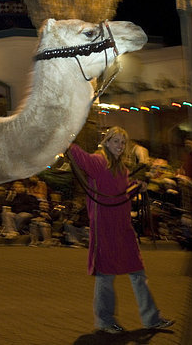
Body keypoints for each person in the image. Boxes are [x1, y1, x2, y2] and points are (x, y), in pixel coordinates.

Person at [67, 127, 173, 333]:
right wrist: (64, 138)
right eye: (115, 141)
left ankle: (151, 318)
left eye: (122, 143)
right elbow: (78, 155)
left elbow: (120, 192)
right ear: (106, 142)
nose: (120, 146)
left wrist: (135, 186)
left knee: (138, 273)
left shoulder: (121, 168)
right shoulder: (98, 162)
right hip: (105, 228)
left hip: (123, 228)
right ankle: (105, 321)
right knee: (106, 276)